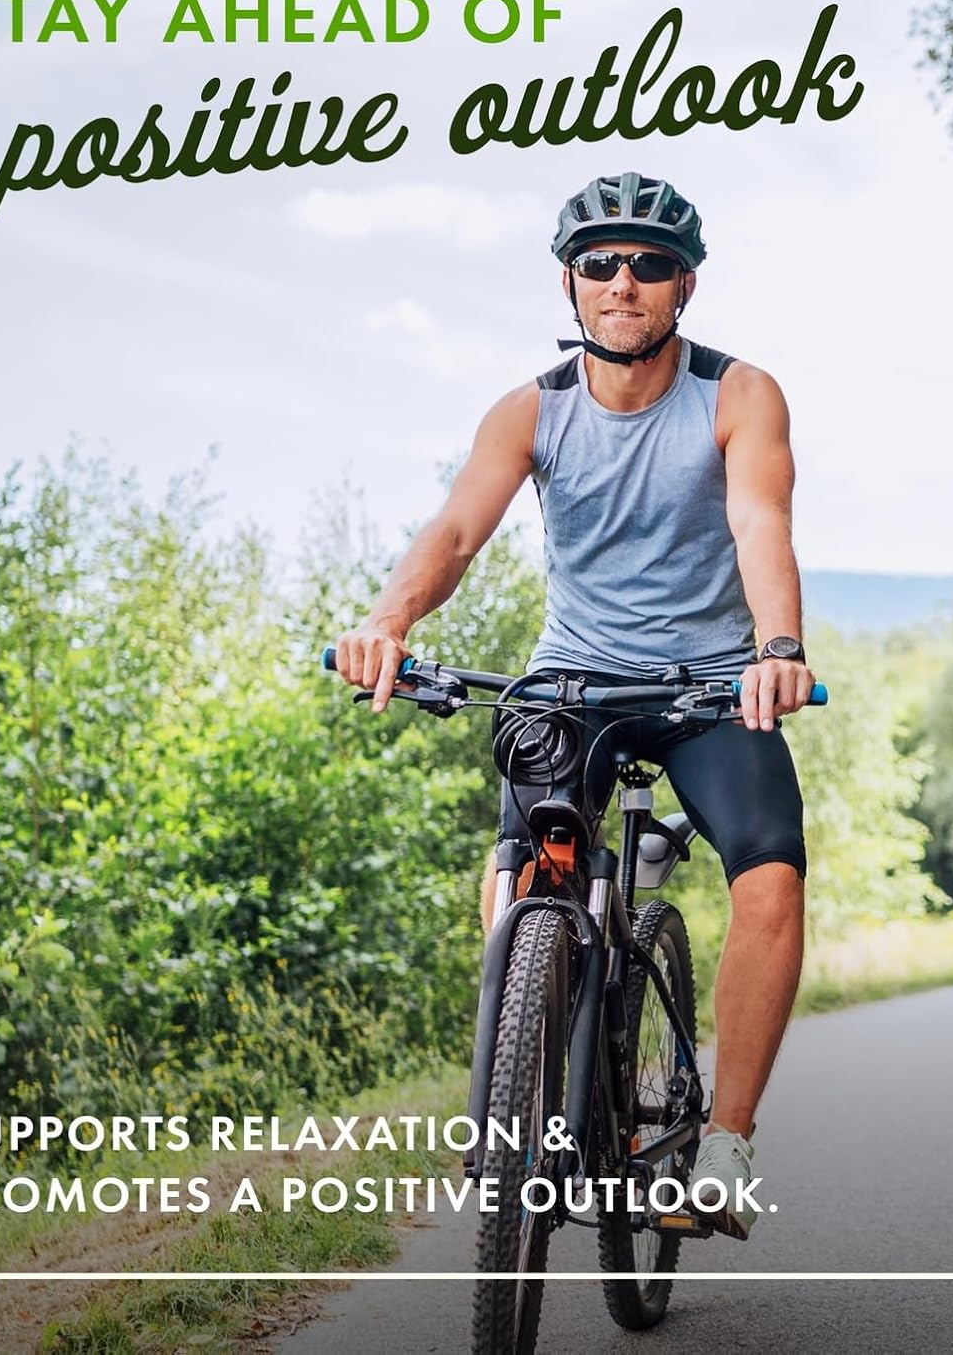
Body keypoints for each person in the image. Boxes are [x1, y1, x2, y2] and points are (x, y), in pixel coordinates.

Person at [333, 171, 813, 1239]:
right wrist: (388, 624)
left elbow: (759, 526)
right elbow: (455, 535)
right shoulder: (532, 410)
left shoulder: (739, 395)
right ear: (570, 283)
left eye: (649, 265)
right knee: (524, 860)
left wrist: (777, 648)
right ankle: (514, 1088)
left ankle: (724, 1147)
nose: (624, 283)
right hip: (574, 681)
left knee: (771, 876)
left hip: (707, 684)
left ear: (683, 286)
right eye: (601, 264)